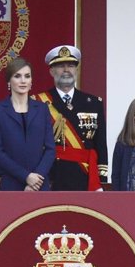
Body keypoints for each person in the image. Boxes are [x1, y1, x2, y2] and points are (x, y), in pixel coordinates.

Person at [38, 45, 108, 191]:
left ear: (77, 70)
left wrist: (101, 179)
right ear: (51, 71)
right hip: (52, 177)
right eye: (61, 66)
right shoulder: (38, 102)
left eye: (71, 66)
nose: (66, 70)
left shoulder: (93, 103)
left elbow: (100, 144)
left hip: (85, 177)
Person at [0, 57, 55, 192]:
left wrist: (36, 179)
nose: (23, 81)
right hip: (11, 183)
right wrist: (26, 177)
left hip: (39, 184)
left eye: (27, 76)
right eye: (17, 76)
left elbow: (50, 149)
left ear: (31, 81)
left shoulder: (42, 109)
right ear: (9, 81)